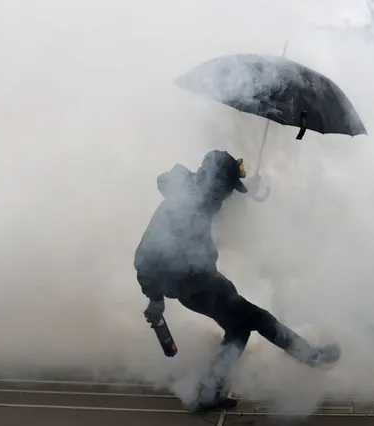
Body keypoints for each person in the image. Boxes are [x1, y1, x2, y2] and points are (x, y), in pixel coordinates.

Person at [133, 150, 341, 412]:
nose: (229, 194)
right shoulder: (182, 207)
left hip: (204, 281)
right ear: (216, 182)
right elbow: (145, 257)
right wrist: (155, 300)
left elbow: (216, 207)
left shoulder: (198, 196)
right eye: (228, 188)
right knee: (259, 318)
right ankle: (311, 357)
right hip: (194, 285)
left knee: (238, 329)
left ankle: (209, 392)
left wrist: (248, 191)